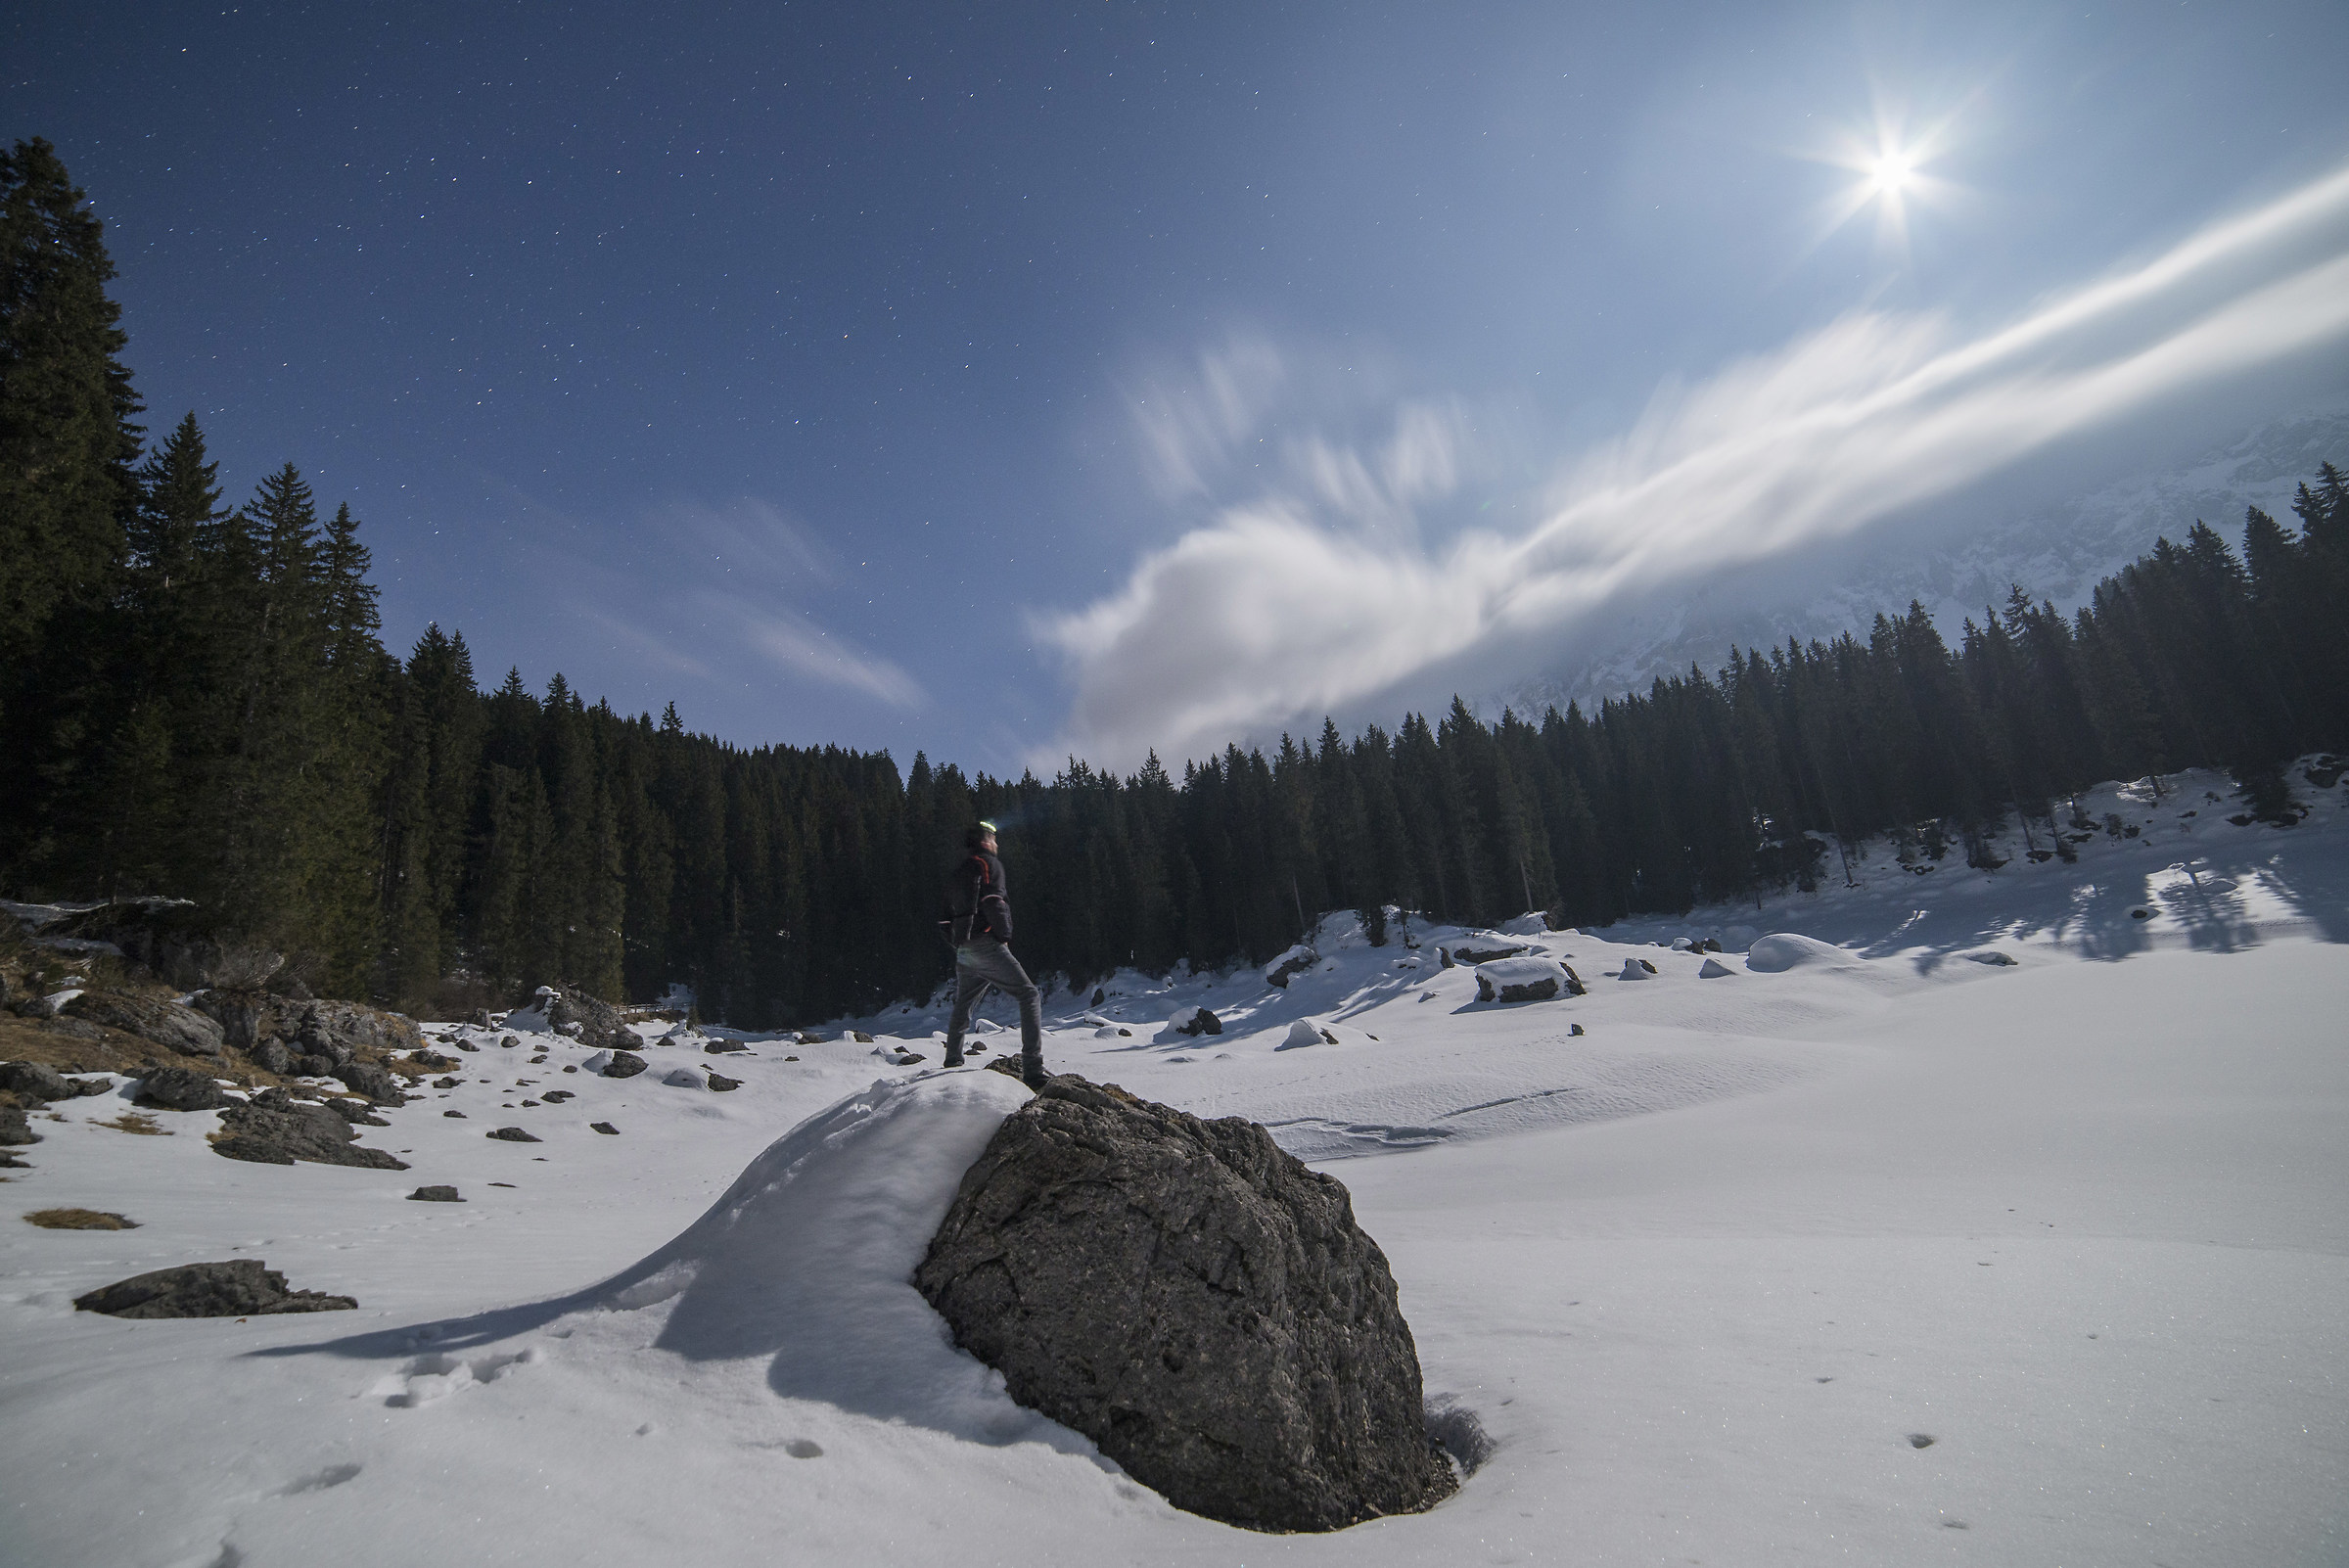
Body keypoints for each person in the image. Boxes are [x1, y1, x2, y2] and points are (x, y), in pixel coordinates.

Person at [942, 819, 1045, 1085]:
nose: (996, 843)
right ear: (985, 840)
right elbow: (993, 901)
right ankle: (1033, 1069)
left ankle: (952, 1060)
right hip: (986, 943)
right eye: (994, 838)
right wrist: (1003, 936)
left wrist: (957, 942)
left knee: (964, 1002)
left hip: (964, 949)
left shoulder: (959, 871)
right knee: (1029, 995)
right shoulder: (989, 864)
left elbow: (943, 916)